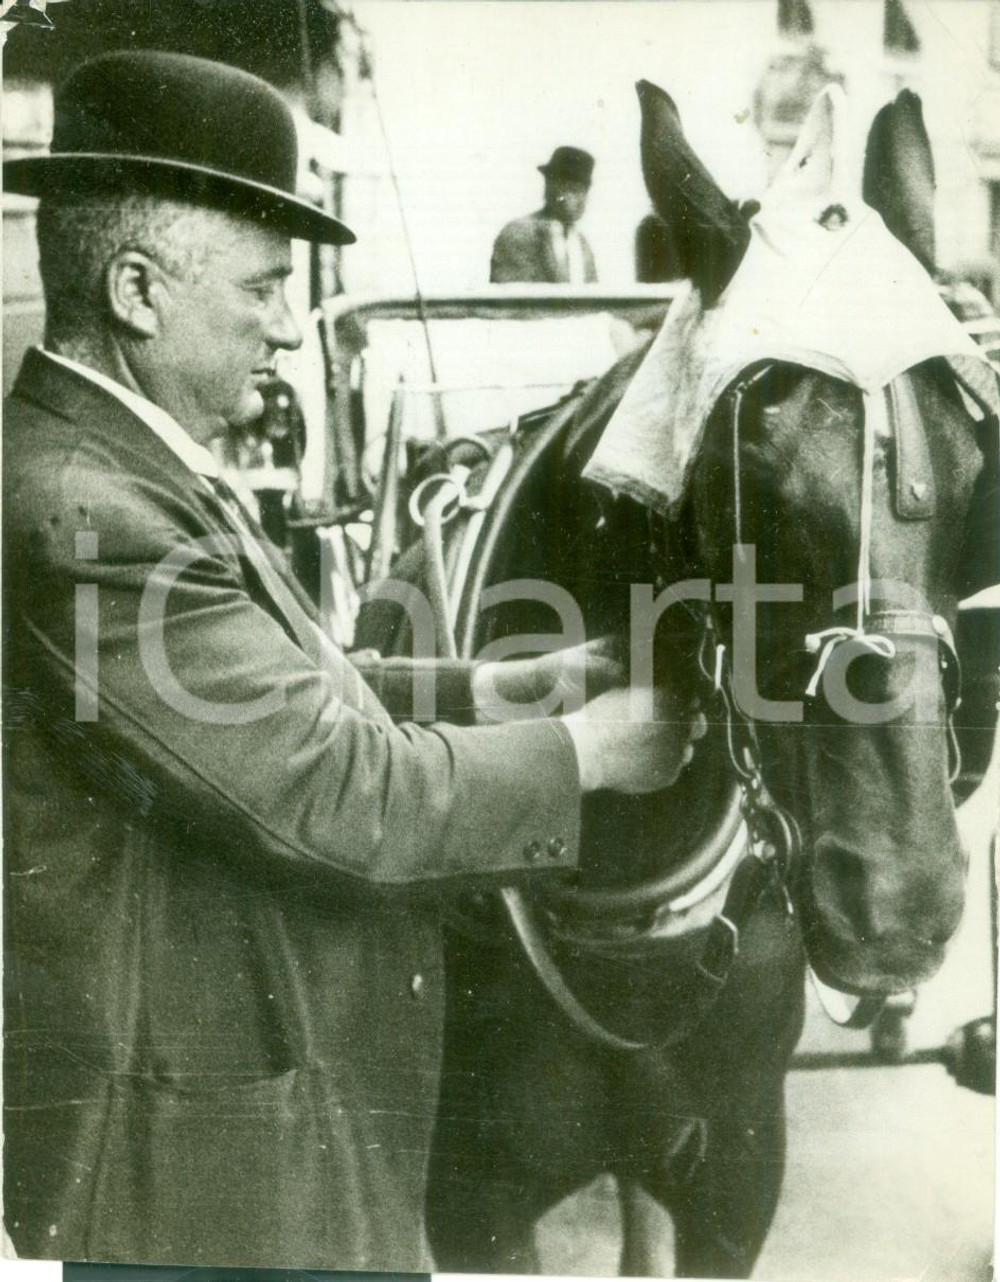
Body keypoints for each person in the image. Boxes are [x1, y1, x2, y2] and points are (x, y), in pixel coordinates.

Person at [2, 52, 696, 1271]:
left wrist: (486, 691)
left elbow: (260, 693)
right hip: (206, 1188)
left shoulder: (124, 466)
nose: (286, 324)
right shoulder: (85, 509)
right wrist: (584, 752)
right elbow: (334, 792)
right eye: (266, 289)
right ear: (137, 289)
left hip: (246, 1146)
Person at [490, 145, 598, 284]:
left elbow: (593, 299)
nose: (579, 200)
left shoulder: (581, 244)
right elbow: (516, 299)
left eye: (584, 190)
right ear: (550, 187)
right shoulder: (519, 233)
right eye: (571, 189)